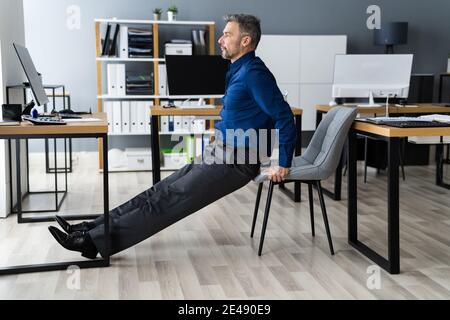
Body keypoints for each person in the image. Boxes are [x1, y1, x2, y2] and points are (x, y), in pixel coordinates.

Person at [48, 14, 297, 259]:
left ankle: (92, 243)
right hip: (221, 150)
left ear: (245, 41)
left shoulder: (255, 74)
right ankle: (92, 227)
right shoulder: (238, 70)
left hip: (237, 160)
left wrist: (283, 163)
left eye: (227, 34)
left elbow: (284, 116)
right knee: (158, 191)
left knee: (168, 200)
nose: (221, 40)